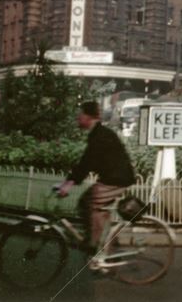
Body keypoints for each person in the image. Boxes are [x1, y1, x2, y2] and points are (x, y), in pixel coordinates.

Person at [57, 101, 136, 252]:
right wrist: (70, 181)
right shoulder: (98, 133)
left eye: (80, 116)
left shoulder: (99, 135)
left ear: (88, 117)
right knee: (94, 206)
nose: (78, 119)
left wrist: (69, 184)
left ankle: (93, 243)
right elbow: (86, 162)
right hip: (114, 177)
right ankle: (103, 244)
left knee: (90, 202)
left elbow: (87, 163)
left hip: (116, 179)